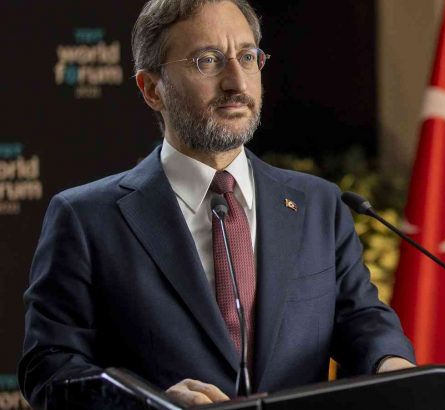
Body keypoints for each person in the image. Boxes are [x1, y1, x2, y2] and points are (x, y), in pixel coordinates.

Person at [19, 0, 415, 408]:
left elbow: (360, 318)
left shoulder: (318, 204)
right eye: (207, 61)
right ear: (152, 89)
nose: (236, 83)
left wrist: (390, 363)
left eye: (247, 57)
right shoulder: (86, 219)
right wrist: (149, 403)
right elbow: (50, 369)